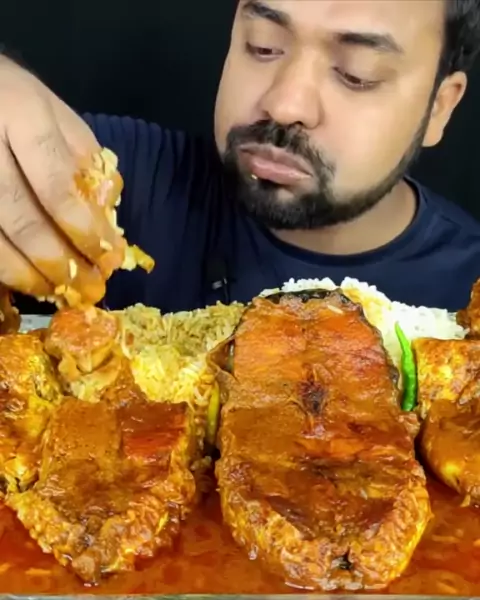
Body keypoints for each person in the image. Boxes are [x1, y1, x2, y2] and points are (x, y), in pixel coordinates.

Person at [0, 0, 479, 314]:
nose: (285, 104)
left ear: (440, 106)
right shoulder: (114, 183)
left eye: (357, 74)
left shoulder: (467, 289)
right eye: (263, 46)